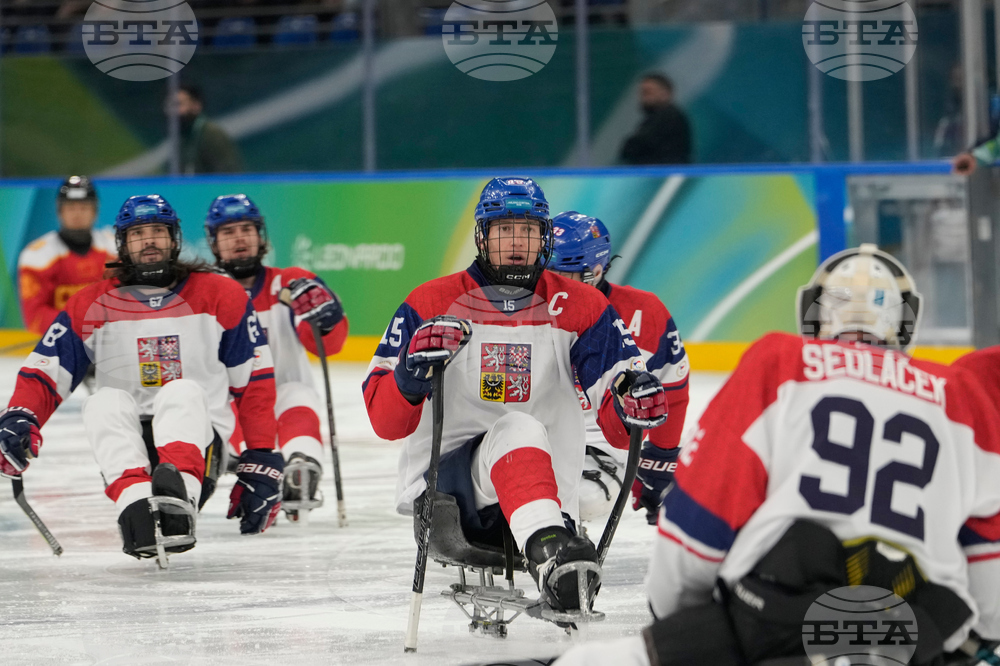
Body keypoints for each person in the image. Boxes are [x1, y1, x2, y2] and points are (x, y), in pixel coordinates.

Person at [557, 244, 1000, 666]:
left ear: (815, 313)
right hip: (908, 632)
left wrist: (684, 624)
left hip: (775, 618)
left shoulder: (779, 363)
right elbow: (989, 594)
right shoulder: (961, 396)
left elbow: (699, 521)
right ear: (905, 321)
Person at [362, 177, 668, 612]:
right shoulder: (431, 302)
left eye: (528, 230)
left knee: (524, 430)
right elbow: (385, 422)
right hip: (451, 491)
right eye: (504, 230)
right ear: (482, 237)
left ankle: (550, 543)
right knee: (518, 426)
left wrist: (634, 401)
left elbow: (619, 426)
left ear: (544, 238)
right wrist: (411, 373)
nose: (516, 243)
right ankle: (550, 554)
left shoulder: (583, 307)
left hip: (550, 496)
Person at [0, 194, 285, 562]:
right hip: (131, 443)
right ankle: (134, 504)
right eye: (138, 234)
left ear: (175, 239)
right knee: (102, 402)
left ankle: (178, 497)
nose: (149, 240)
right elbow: (45, 370)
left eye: (157, 232)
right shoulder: (91, 304)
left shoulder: (221, 294)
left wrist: (260, 454)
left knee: (180, 392)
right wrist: (22, 413)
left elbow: (254, 380)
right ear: (122, 244)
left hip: (201, 444)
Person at [204, 193, 348, 521]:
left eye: (246, 229)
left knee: (297, 393)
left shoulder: (290, 282)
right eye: (228, 232)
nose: (239, 238)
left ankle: (302, 468)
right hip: (228, 408)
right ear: (214, 243)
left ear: (260, 236)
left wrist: (326, 317)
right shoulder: (203, 293)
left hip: (283, 396)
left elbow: (332, 344)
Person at [548, 211, 689, 525]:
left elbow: (672, 391)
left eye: (563, 273)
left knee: (577, 499)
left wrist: (661, 459)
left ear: (596, 270)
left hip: (603, 446)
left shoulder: (646, 312)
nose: (551, 283)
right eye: (545, 271)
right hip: (534, 435)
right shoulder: (523, 305)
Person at [18, 175, 117, 336]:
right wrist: (83, 325)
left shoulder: (113, 249)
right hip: (60, 346)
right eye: (71, 208)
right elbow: (35, 317)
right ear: (60, 212)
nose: (77, 214)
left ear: (95, 211)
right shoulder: (38, 257)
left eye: (84, 207)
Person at [168, 83, 242, 175]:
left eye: (179, 104)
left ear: (196, 106)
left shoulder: (212, 134)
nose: (174, 111)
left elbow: (229, 174)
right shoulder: (182, 137)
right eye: (170, 105)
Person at [619, 74, 692, 166]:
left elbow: (637, 145)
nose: (643, 97)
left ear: (665, 94)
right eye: (642, 93)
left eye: (648, 92)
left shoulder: (668, 116)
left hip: (662, 176)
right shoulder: (654, 118)